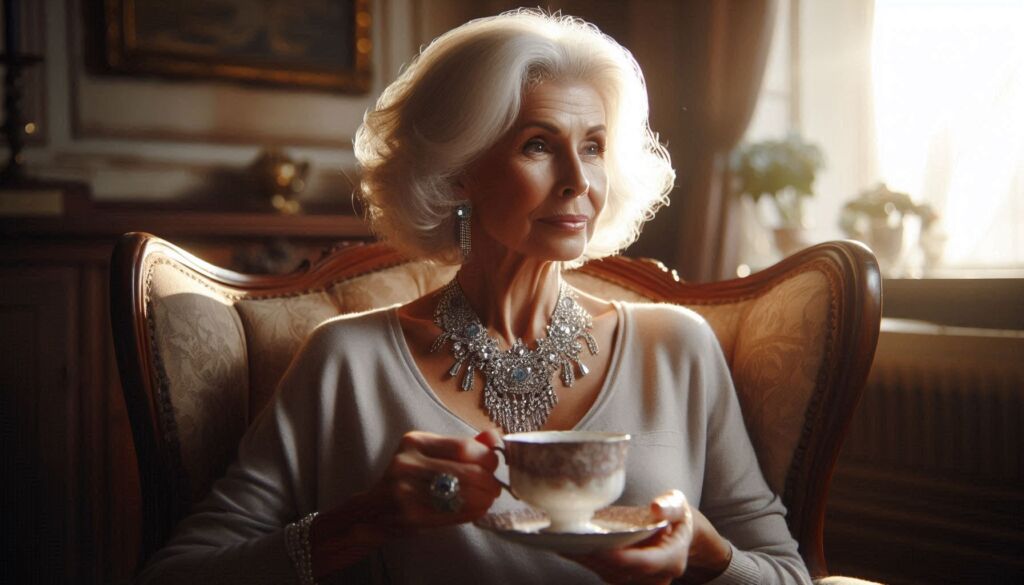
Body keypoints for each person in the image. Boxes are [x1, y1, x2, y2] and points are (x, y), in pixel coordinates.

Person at [138, 10, 812, 585]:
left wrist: (704, 549)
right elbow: (179, 571)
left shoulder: (679, 346)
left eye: (596, 146)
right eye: (540, 144)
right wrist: (363, 520)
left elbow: (788, 572)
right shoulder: (347, 361)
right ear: (458, 172)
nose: (579, 180)